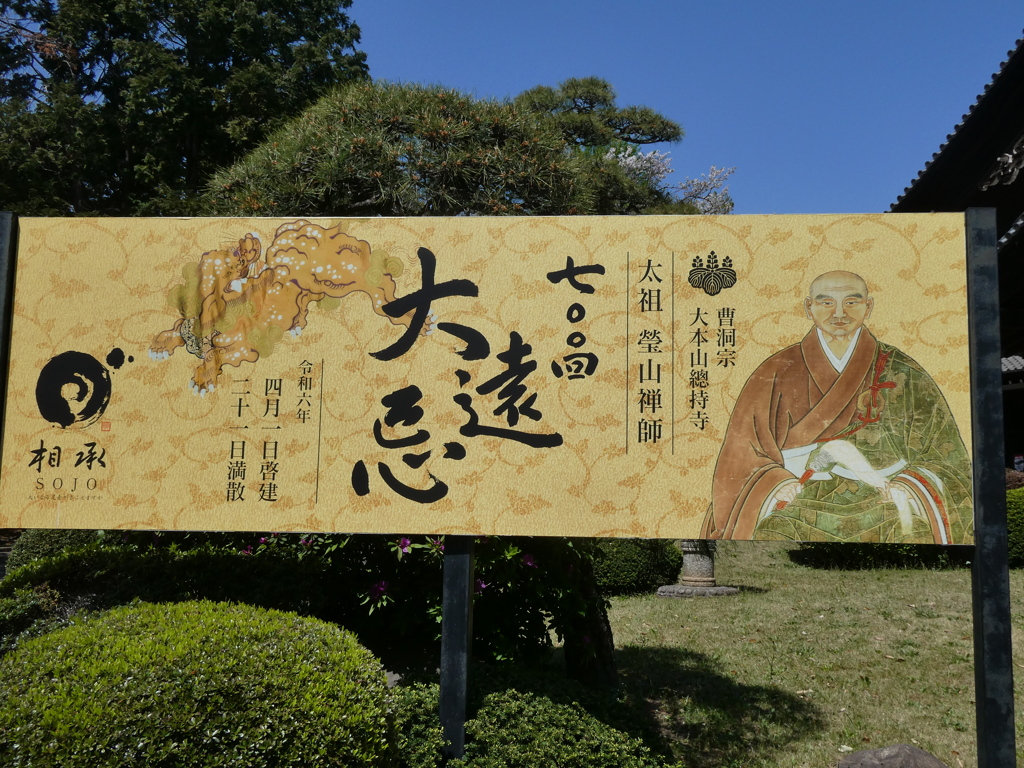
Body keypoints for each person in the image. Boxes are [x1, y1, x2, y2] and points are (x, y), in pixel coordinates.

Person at [701, 270, 972, 544]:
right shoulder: (774, 371)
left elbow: (944, 455)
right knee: (777, 530)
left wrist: (906, 486)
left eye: (852, 302)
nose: (839, 313)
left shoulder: (903, 371)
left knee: (910, 531)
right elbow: (742, 453)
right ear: (809, 308)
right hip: (799, 497)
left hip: (883, 498)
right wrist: (777, 485)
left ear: (869, 306)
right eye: (826, 302)